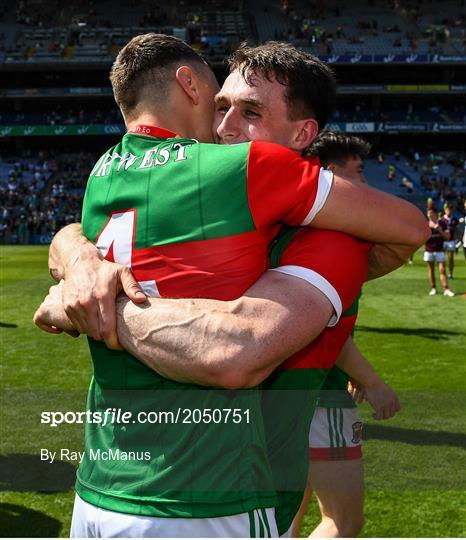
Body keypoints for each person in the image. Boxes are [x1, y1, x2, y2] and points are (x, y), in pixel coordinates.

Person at [34, 36, 429, 537]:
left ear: (303, 134)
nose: (222, 128)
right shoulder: (211, 188)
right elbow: (74, 235)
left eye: (249, 112)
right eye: (221, 107)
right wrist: (78, 257)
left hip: (214, 498)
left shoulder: (329, 241)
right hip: (131, 489)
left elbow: (232, 352)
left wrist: (98, 303)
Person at [290, 131, 400, 538]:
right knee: (343, 521)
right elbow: (318, 325)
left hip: (282, 393)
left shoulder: (296, 231)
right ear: (331, 175)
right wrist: (374, 382)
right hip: (320, 395)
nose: (367, 184)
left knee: (286, 517)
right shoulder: (333, 238)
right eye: (359, 173)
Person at [424, 207, 454, 296]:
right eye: (428, 213)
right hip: (428, 250)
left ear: (435, 214)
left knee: (442, 270)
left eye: (431, 213)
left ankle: (446, 289)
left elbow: (447, 237)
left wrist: (439, 229)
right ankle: (433, 288)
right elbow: (421, 238)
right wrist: (428, 231)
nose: (429, 215)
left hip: (439, 250)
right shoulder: (425, 224)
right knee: (431, 270)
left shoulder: (442, 223)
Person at [442, 203, 459, 278]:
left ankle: (450, 273)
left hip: (451, 241)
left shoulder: (454, 219)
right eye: (447, 209)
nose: (449, 211)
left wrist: (459, 239)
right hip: (442, 241)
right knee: (442, 258)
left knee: (451, 258)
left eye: (450, 209)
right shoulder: (442, 219)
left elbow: (457, 230)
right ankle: (442, 272)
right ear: (445, 210)